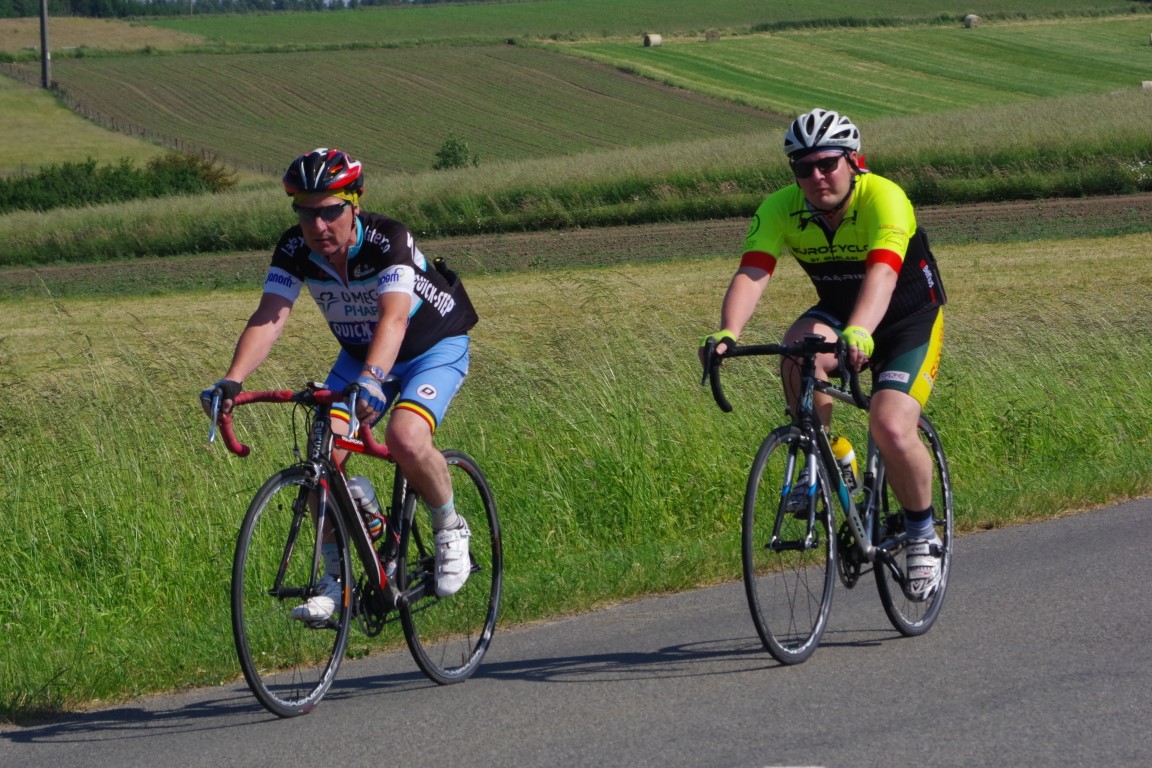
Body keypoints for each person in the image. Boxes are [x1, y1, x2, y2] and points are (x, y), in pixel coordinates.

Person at [202, 147, 479, 620]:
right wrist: (232, 379)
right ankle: (337, 578)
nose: (318, 225)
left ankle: (450, 527)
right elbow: (270, 316)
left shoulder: (388, 239)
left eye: (330, 211)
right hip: (360, 354)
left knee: (405, 437)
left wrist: (373, 379)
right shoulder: (295, 249)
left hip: (432, 347)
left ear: (355, 202)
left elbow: (393, 318)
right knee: (322, 456)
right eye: (305, 212)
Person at [700, 108, 947, 601]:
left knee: (890, 425)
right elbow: (753, 271)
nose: (816, 176)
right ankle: (830, 454)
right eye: (803, 167)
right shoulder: (781, 208)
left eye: (827, 164)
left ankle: (922, 533)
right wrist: (727, 332)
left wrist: (862, 330)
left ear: (853, 161)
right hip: (840, 314)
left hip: (908, 319)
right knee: (797, 353)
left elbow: (883, 272)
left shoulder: (884, 197)